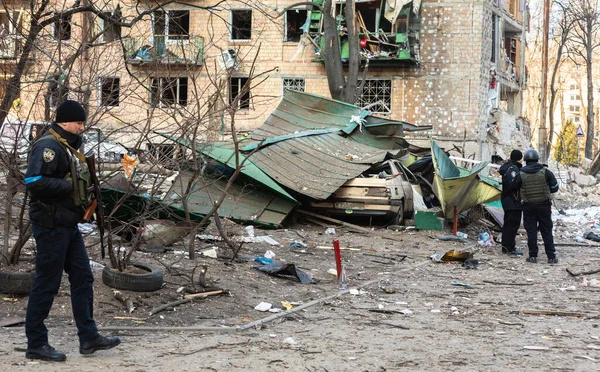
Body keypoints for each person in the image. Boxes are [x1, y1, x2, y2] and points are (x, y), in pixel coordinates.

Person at [23, 100, 121, 362]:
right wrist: (69, 188)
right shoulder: (48, 146)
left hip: (67, 223)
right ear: (65, 121)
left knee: (83, 277)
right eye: (79, 122)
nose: (82, 127)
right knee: (47, 283)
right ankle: (36, 343)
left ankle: (89, 338)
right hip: (51, 224)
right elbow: (33, 181)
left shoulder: (66, 146)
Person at [512, 149, 559, 264]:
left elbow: (514, 187)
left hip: (529, 207)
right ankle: (551, 257)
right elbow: (555, 187)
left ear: (526, 160)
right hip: (544, 206)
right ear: (537, 159)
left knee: (531, 231)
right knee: (547, 231)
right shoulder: (546, 172)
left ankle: (533, 256)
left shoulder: (521, 173)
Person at [498, 150, 523, 256]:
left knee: (508, 224)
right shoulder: (513, 169)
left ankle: (505, 246)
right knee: (512, 225)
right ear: (519, 158)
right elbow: (513, 185)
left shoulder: (508, 167)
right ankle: (510, 248)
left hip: (507, 200)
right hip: (513, 201)